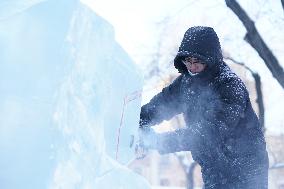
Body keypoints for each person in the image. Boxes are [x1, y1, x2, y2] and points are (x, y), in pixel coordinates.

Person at [136, 26, 269, 189]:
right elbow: (164, 102)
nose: (192, 67)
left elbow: (207, 134)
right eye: (188, 61)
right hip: (213, 167)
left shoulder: (230, 86)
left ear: (211, 59)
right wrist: (138, 119)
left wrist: (157, 141)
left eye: (197, 61)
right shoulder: (186, 81)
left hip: (245, 170)